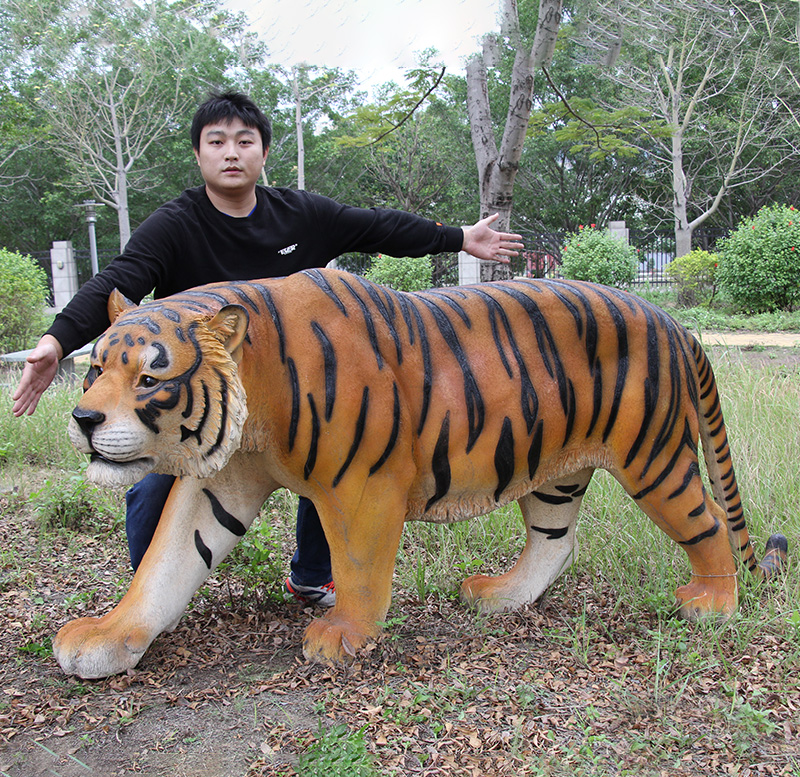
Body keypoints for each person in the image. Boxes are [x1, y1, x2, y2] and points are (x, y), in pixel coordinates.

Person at [12, 91, 523, 606]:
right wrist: (57, 342)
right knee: (152, 486)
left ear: (263, 153)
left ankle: (312, 576)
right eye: (216, 142)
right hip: (199, 397)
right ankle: (149, 596)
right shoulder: (175, 224)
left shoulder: (301, 215)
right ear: (198, 155)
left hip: (291, 395)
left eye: (244, 141)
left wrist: (460, 237)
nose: (230, 152)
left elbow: (376, 226)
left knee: (335, 446)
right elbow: (119, 281)